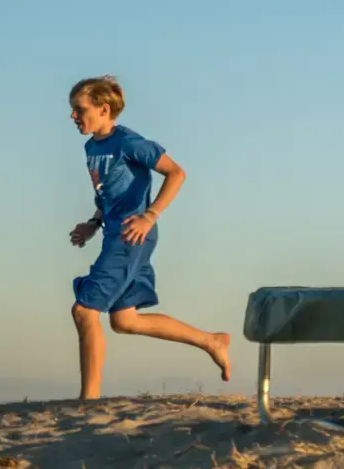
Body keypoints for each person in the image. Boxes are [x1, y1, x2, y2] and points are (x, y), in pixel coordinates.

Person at [65, 76, 231, 399]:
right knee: (125, 321)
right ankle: (212, 341)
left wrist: (150, 215)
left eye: (78, 109)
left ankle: (89, 403)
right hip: (114, 233)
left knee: (84, 311)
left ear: (103, 109)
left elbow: (176, 173)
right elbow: (109, 195)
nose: (73, 116)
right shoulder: (92, 147)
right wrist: (93, 224)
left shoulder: (129, 142)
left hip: (131, 236)